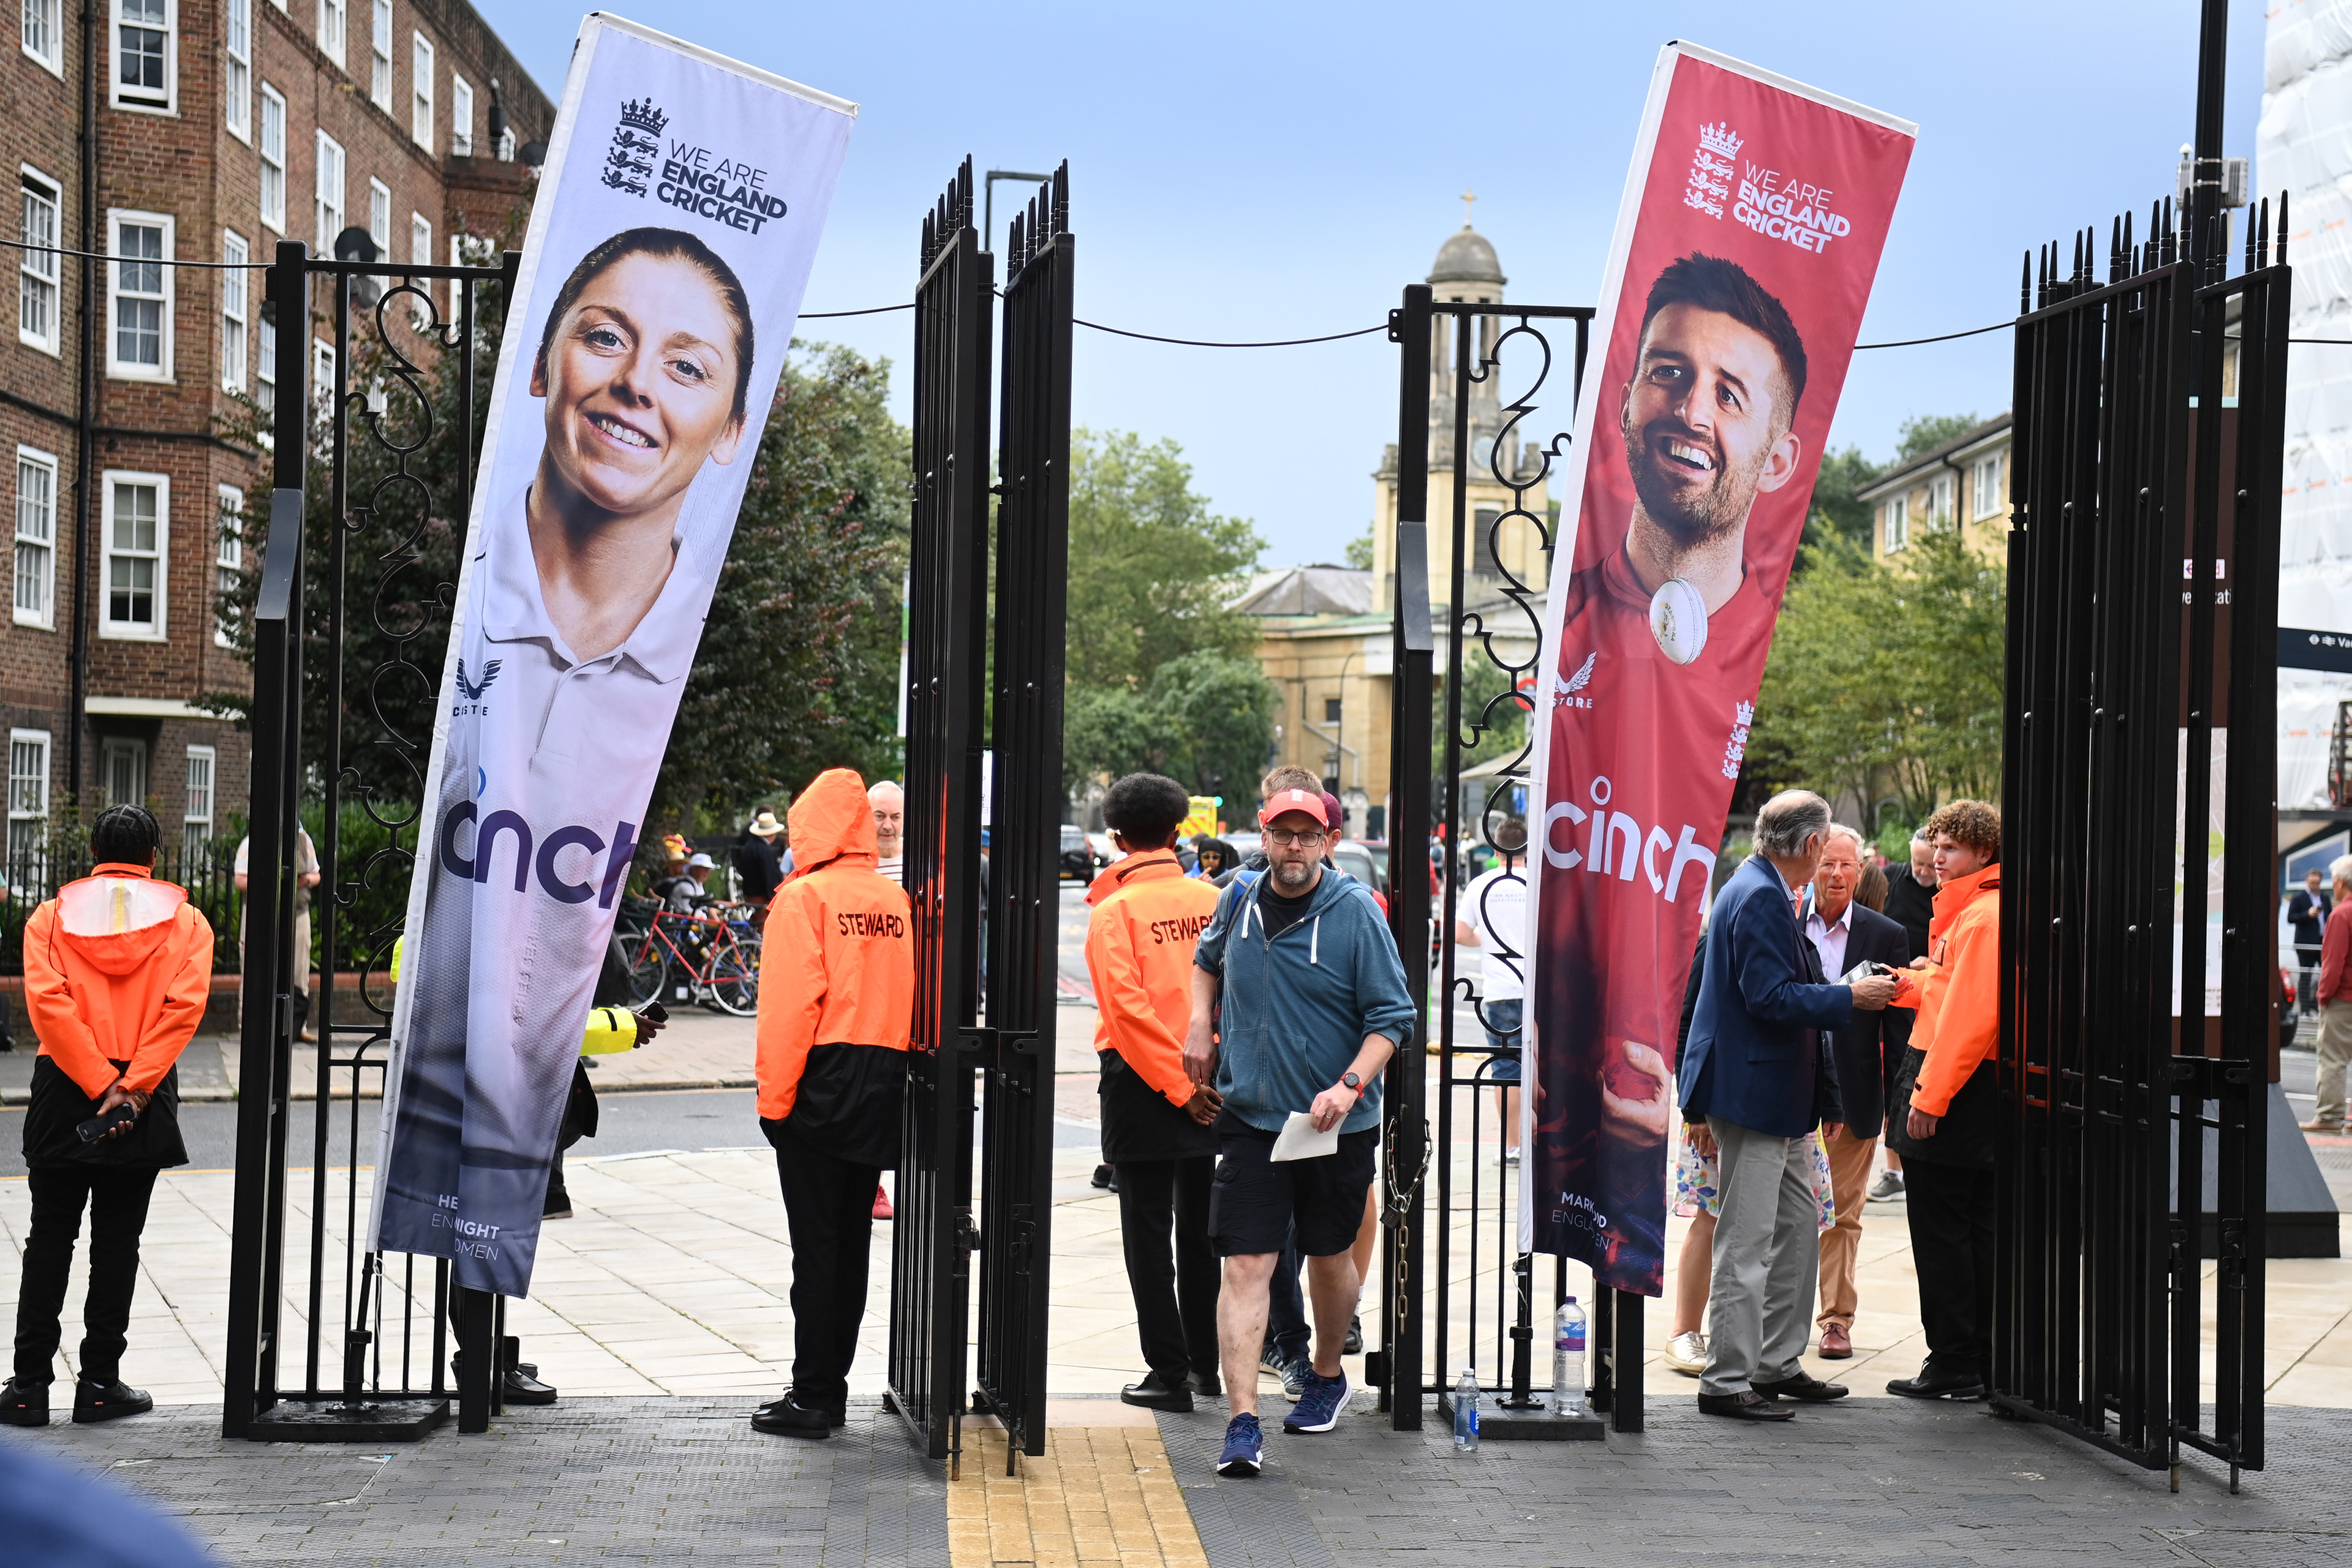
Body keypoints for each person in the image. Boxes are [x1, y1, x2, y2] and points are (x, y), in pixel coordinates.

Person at [1185, 768, 1414, 1476]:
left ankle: (1326, 1371)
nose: (1293, 846)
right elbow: (1205, 962)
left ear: (1329, 841)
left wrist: (1349, 1085)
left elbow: (1393, 1018)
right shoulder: (1238, 896)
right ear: (1264, 835)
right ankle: (1242, 1422)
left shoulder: (1356, 912)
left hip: (1333, 1123)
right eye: (1282, 833)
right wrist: (1198, 1020)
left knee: (1328, 1255)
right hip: (1252, 1119)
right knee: (1245, 1262)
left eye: (1307, 836)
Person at [1674, 790, 1896, 1420]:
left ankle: (1774, 1362)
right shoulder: (1761, 896)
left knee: (1799, 1228)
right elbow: (1770, 997)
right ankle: (1727, 1379)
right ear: (1811, 844)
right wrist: (1849, 997)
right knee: (1746, 1241)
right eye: (1827, 845)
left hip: (1776, 1095)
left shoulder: (1760, 887)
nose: (1830, 860)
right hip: (1754, 1095)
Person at [2, 805, 212, 1428]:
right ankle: (98, 1382)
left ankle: (28, 1386)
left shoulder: (49, 918)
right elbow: (183, 1008)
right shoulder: (187, 922)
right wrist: (133, 1085)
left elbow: (49, 1005)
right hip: (142, 1095)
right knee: (117, 1242)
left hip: (67, 1087)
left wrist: (98, 1080)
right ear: (154, 855)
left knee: (49, 1236)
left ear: (93, 850)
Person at [750, 767, 913, 1438]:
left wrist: (775, 1103)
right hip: (884, 1077)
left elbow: (788, 1012)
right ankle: (829, 1385)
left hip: (821, 1078)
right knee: (849, 1248)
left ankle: (815, 1396)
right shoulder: (893, 899)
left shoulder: (803, 898)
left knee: (814, 1251)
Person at [1084, 773, 1225, 1413]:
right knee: (1199, 1231)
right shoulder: (1213, 900)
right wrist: (1198, 1082)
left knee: (1147, 1232)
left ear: (1118, 838)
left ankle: (1166, 1373)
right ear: (1176, 833)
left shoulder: (1114, 911)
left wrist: (1173, 1087)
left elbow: (1126, 1012)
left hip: (1141, 1082)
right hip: (1209, 1075)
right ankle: (1205, 1365)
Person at [1662, 932, 1839, 1379]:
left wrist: (1831, 1100)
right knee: (1715, 1218)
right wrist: (1694, 1109)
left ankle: (1773, 1356)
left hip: (1793, 1109)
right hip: (1724, 1107)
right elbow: (1688, 1024)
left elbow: (1816, 1035)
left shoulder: (1801, 944)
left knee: (1794, 1224)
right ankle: (1686, 1331)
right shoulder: (1719, 940)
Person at [1884, 799, 2002, 1401]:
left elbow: (1969, 1020)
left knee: (1943, 1233)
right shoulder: (1980, 911)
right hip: (1967, 1083)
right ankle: (1977, 1358)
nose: (1937, 855)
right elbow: (1953, 992)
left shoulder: (1981, 917)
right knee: (1970, 1227)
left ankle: (1957, 1360)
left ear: (1984, 851)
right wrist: (1903, 984)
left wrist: (1929, 1097)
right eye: (1936, 844)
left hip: (1955, 1084)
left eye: (1951, 846)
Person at [1801, 824, 1910, 1361]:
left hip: (1854, 1096)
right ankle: (1776, 1324)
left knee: (1843, 1215)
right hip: (1789, 1093)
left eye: (1847, 864)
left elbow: (1897, 1028)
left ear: (1862, 870)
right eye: (1827, 863)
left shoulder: (1885, 934)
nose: (1838, 874)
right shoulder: (1783, 922)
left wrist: (1896, 1104)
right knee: (1784, 1217)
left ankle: (1836, 1320)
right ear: (1810, 866)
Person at [1454, 854, 1528, 1164]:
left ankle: (1513, 1146)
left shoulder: (1481, 884)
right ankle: (1542, 1144)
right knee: (1544, 1068)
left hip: (1501, 991)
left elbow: (1460, 933)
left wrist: (1488, 942)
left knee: (1507, 1070)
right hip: (1538, 989)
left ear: (1497, 851)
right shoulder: (1539, 883)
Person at [233, 824, 320, 1039]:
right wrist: (270, 880)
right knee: (254, 970)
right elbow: (240, 880)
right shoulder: (252, 842)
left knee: (299, 971)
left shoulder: (303, 841)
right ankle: (249, 1028)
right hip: (260, 916)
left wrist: (305, 880)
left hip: (297, 913)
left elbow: (316, 874)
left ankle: (297, 1026)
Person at [2303, 857, 2352, 1133]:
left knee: (2333, 1059)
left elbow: (2333, 963)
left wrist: (2323, 995)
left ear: (2341, 883)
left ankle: (2329, 1117)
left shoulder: (2341, 915)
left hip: (2343, 998)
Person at [2288, 865, 2331, 1020]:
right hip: (2305, 943)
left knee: (2327, 973)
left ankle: (2315, 1002)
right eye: (2313, 883)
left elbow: (2330, 917)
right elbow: (2291, 918)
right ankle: (2305, 1010)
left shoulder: (2325, 898)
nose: (2315, 886)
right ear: (2307, 882)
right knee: (2306, 975)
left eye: (2318, 883)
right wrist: (2308, 914)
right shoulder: (2299, 898)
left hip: (2322, 942)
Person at [733, 807, 786, 921]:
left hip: (750, 896)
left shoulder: (749, 847)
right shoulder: (765, 851)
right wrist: (774, 898)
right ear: (772, 833)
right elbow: (770, 877)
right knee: (764, 928)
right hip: (762, 899)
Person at [869, 780, 905, 882]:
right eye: (880, 816)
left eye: (895, 817)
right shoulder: (856, 861)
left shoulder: (921, 859)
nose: (888, 826)